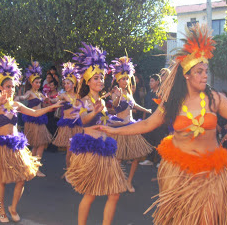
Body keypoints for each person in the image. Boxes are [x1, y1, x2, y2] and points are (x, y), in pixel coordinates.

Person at [96, 24, 227, 225]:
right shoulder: (173, 101)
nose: (205, 75)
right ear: (186, 75)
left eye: (206, 70)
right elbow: (147, 124)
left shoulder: (215, 98)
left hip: (211, 173)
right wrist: (114, 129)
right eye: (199, 71)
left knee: (209, 218)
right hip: (179, 171)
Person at [0, 56, 62, 222]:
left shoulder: (16, 105)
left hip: (15, 146)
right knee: (2, 180)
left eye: (13, 86)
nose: (11, 89)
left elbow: (34, 113)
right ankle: (1, 209)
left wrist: (52, 106)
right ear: (0, 87)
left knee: (22, 179)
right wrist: (0, 102)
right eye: (7, 86)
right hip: (0, 147)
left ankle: (13, 207)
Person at [65, 43, 127, 225]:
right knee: (90, 194)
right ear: (88, 81)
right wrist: (94, 112)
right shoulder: (82, 101)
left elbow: (103, 121)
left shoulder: (101, 99)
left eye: (101, 78)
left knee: (114, 194)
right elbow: (83, 121)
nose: (100, 81)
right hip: (91, 152)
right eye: (96, 78)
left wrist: (113, 120)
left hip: (105, 149)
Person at [109, 56, 153, 193]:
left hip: (132, 126)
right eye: (123, 78)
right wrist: (117, 96)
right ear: (118, 80)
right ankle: (116, 180)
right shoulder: (116, 93)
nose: (126, 81)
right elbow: (114, 106)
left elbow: (134, 105)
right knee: (119, 157)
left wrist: (147, 110)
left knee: (137, 156)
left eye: (127, 78)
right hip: (121, 128)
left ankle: (128, 181)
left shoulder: (129, 92)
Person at [15, 61, 51, 177]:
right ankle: (36, 168)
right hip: (32, 120)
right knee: (39, 144)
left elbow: (44, 105)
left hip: (40, 119)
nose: (38, 84)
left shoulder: (40, 94)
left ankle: (31, 167)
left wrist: (47, 102)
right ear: (31, 82)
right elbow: (23, 97)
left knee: (37, 145)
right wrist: (18, 97)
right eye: (36, 82)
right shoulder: (30, 92)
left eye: (40, 82)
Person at [51, 62, 83, 172]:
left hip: (77, 124)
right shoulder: (64, 95)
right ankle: (69, 170)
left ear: (74, 84)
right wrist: (49, 100)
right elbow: (55, 99)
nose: (66, 85)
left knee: (76, 149)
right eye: (64, 83)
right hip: (67, 126)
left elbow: (82, 107)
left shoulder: (79, 96)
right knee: (69, 150)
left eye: (68, 83)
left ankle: (74, 169)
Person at [139, 72, 169, 166]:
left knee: (159, 141)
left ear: (157, 82)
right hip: (148, 122)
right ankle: (150, 159)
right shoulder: (148, 94)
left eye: (152, 81)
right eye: (150, 81)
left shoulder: (161, 93)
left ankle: (160, 161)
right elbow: (145, 108)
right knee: (149, 140)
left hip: (159, 123)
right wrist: (144, 120)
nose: (150, 83)